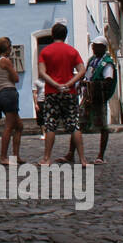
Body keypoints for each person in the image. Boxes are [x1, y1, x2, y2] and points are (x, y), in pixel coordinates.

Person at [37, 23, 86, 166]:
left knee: (51, 125)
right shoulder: (72, 51)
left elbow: (42, 72)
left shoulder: (45, 51)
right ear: (65, 35)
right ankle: (83, 159)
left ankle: (46, 158)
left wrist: (55, 84)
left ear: (53, 34)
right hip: (69, 92)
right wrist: (69, 83)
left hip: (52, 92)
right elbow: (82, 70)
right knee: (74, 124)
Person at [83, 39, 117, 163]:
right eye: (93, 46)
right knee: (78, 124)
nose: (93, 49)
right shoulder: (92, 61)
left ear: (103, 48)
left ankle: (100, 155)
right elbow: (87, 75)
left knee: (103, 126)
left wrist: (94, 85)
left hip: (98, 97)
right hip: (88, 96)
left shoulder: (106, 63)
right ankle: (71, 152)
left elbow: (108, 80)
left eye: (96, 46)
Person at [0, 37, 23, 165]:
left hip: (2, 93)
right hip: (8, 93)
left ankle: (16, 155)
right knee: (9, 126)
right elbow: (16, 78)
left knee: (19, 126)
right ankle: (4, 156)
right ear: (9, 48)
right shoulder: (6, 61)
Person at [33, 75, 47, 140]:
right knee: (41, 118)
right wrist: (36, 104)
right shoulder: (36, 82)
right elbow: (35, 93)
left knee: (48, 117)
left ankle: (48, 133)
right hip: (40, 101)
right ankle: (43, 133)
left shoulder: (48, 81)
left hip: (48, 100)